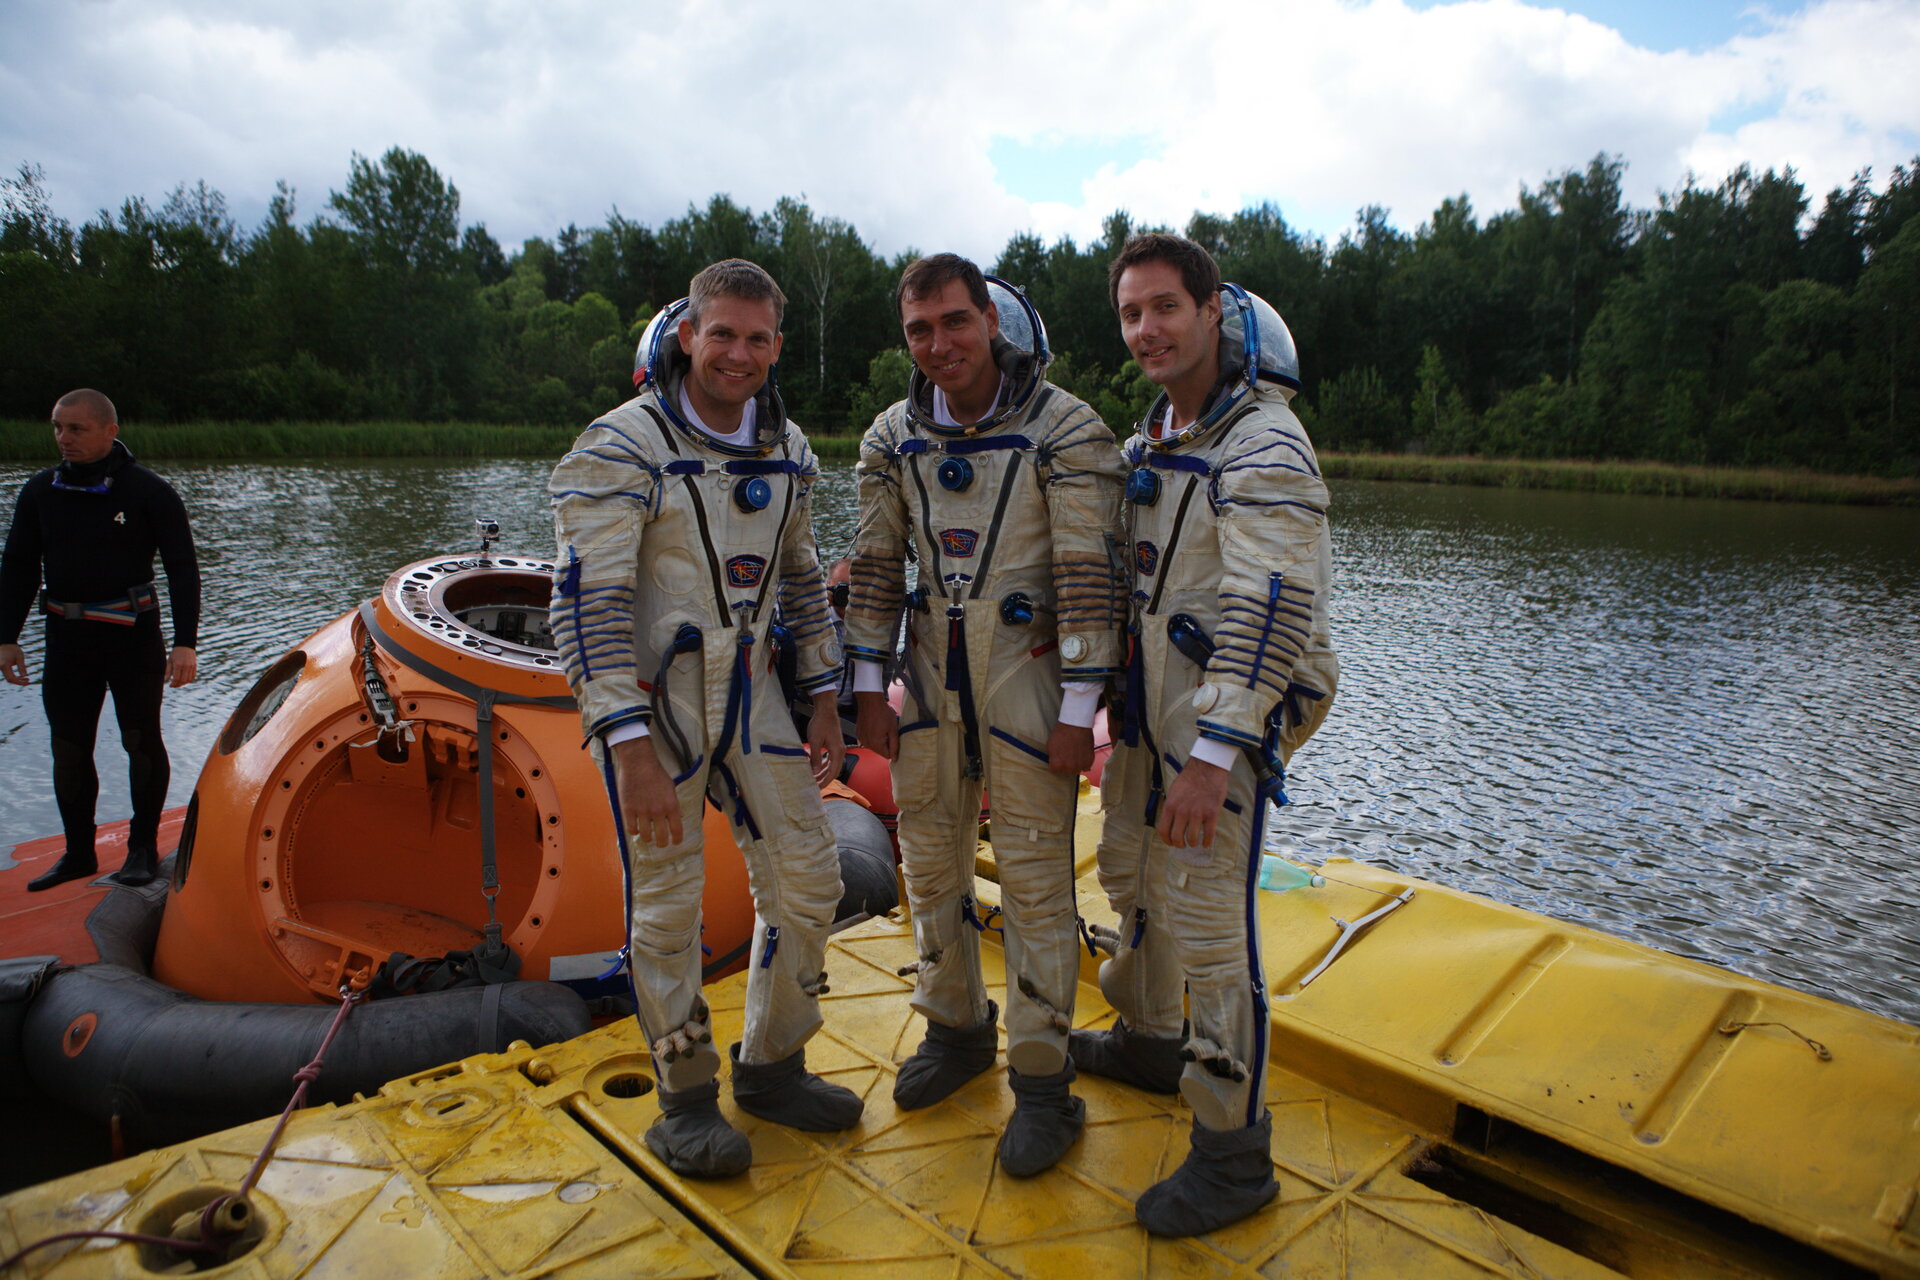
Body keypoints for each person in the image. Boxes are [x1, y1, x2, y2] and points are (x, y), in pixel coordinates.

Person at [548, 259, 860, 1178]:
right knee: (668, 909)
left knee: (811, 882)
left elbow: (802, 578)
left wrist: (828, 696)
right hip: (658, 712)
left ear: (775, 348)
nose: (739, 353)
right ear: (686, 333)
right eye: (722, 333)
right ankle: (684, 1100)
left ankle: (771, 1063)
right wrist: (627, 744)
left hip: (756, 694)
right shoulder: (618, 448)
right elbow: (587, 606)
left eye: (758, 338)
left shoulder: (787, 449)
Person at [1072, 234, 1338, 1236]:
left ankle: (1234, 1153)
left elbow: (1269, 609)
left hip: (1234, 705)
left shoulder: (1262, 444)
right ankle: (1149, 1036)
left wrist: (1216, 757)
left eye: (1165, 308)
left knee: (1211, 920)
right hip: (1161, 701)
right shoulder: (1157, 445)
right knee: (1130, 869)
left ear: (1212, 309)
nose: (1147, 329)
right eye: (1132, 313)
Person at [846, 254, 1125, 1176]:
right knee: (928, 863)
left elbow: (1090, 578)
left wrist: (1081, 708)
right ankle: (958, 1028)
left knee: (1040, 883)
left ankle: (1044, 1083)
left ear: (991, 322)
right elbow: (878, 567)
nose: (939, 345)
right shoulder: (892, 437)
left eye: (955, 323)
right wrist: (862, 688)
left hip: (1031, 676)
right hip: (929, 678)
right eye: (919, 330)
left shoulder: (1066, 429)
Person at [1, 389, 200, 892]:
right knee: (68, 749)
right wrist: (6, 636)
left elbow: (181, 569)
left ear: (110, 430)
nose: (63, 439)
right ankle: (77, 853)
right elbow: (19, 567)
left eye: (76, 429)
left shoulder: (148, 492)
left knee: (140, 741)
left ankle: (140, 849)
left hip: (132, 638)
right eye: (57, 428)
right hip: (67, 639)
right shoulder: (41, 491)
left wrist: (186, 642)